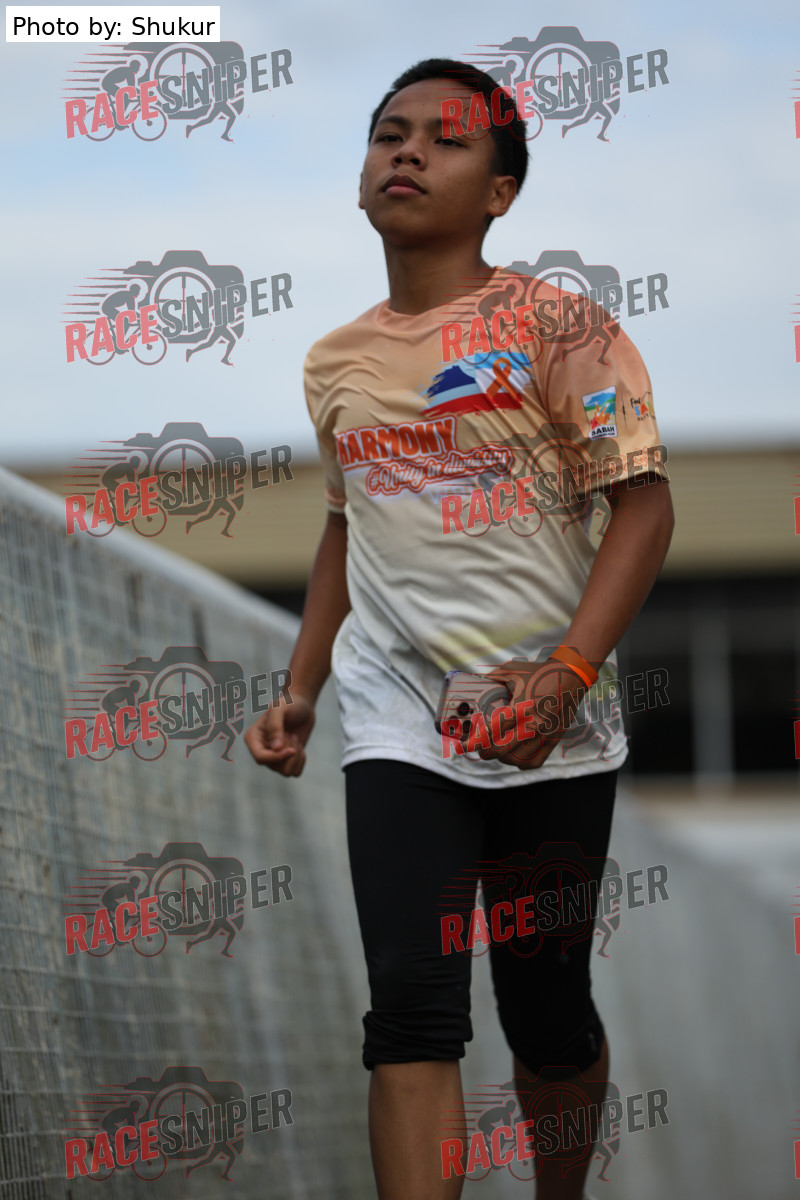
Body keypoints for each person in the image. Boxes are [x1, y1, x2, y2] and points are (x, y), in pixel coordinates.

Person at [245, 57, 674, 1200]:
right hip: (398, 719)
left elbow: (643, 508)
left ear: (498, 192)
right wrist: (302, 688)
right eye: (389, 132)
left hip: (551, 718)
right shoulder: (333, 363)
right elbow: (347, 528)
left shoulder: (560, 326)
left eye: (446, 139)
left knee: (546, 1016)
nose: (406, 151)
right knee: (411, 1008)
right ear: (361, 175)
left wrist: (565, 675)